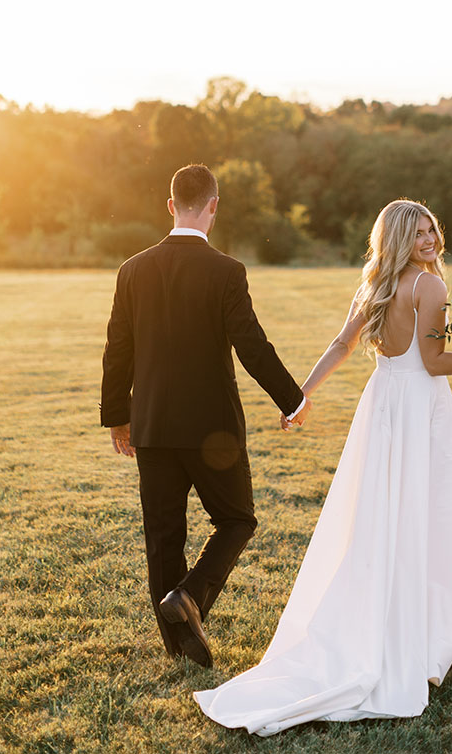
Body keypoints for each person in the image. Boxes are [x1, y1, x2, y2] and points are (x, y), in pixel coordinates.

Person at [194, 198, 452, 735]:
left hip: (382, 408)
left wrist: (300, 395)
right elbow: (435, 362)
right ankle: (414, 636)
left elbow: (342, 345)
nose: (430, 241)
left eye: (432, 230)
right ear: (397, 237)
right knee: (424, 514)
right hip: (419, 410)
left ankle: (391, 623)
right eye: (418, 233)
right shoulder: (429, 287)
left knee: (379, 520)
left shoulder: (376, 284)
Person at [101, 163, 311, 668]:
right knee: (237, 519)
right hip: (211, 431)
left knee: (163, 537)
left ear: (171, 205)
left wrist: (118, 417)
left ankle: (178, 643)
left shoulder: (132, 269)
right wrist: (293, 399)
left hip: (150, 427)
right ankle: (190, 600)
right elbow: (252, 348)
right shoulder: (227, 271)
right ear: (213, 206)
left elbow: (117, 350)